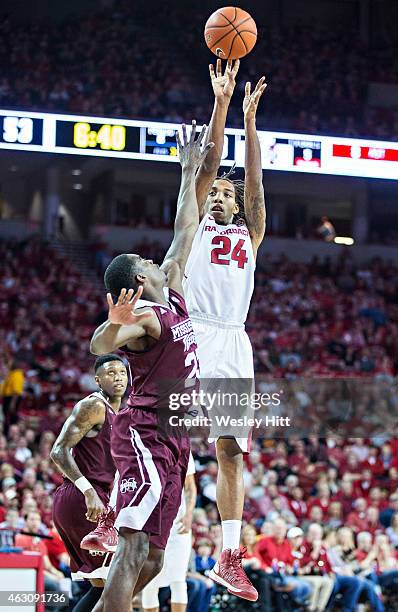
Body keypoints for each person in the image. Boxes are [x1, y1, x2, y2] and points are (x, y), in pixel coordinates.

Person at [88, 123, 213, 612]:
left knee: (156, 560)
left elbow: (186, 227)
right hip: (144, 433)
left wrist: (187, 171)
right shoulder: (145, 320)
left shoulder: (175, 291)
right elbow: (101, 342)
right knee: (134, 547)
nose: (156, 257)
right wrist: (110, 325)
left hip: (176, 435)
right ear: (140, 277)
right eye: (145, 258)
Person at [183, 59, 267, 602]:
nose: (218, 196)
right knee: (162, 437)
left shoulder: (250, 232)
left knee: (231, 450)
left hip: (234, 341)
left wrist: (250, 120)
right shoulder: (192, 221)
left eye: (224, 195)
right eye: (213, 192)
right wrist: (221, 104)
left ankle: (230, 557)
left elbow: (256, 186)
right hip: (193, 334)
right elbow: (209, 162)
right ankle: (121, 516)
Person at [50, 354, 128, 612]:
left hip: (98, 499)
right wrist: (88, 490)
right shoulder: (93, 406)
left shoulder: (123, 413)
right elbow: (58, 451)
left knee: (105, 586)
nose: (118, 377)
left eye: (122, 372)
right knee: (115, 582)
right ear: (98, 379)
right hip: (81, 497)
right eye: (110, 373)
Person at [142, 452, 197, 612]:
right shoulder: (145, 443)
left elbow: (190, 486)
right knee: (149, 579)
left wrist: (189, 514)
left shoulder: (183, 447)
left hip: (178, 521)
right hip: (151, 520)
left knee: (179, 579)